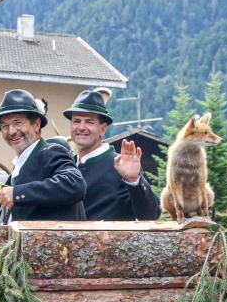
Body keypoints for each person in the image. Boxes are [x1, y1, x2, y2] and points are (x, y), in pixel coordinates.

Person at [0, 89, 87, 223]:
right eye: (5, 126)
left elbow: (75, 185)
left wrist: (17, 194)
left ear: (36, 124)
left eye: (18, 123)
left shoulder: (51, 151)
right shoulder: (18, 169)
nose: (11, 131)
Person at [64, 89, 161, 221]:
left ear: (103, 129)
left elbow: (151, 214)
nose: (81, 127)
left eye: (89, 122)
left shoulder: (120, 165)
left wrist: (133, 180)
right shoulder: (66, 165)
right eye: (76, 121)